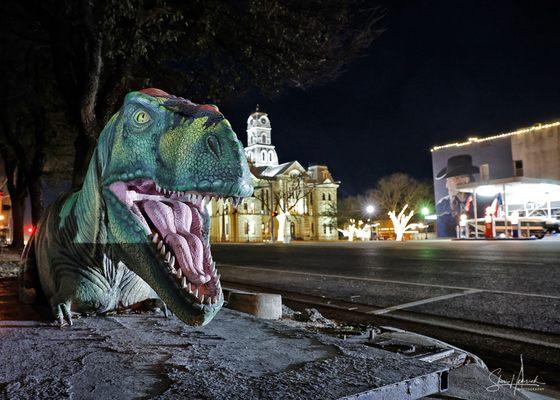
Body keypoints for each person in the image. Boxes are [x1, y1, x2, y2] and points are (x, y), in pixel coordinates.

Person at [435, 155, 479, 237]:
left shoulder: (479, 201)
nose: (447, 185)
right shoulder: (443, 204)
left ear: (466, 180)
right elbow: (442, 233)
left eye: (451, 180)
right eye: (447, 181)